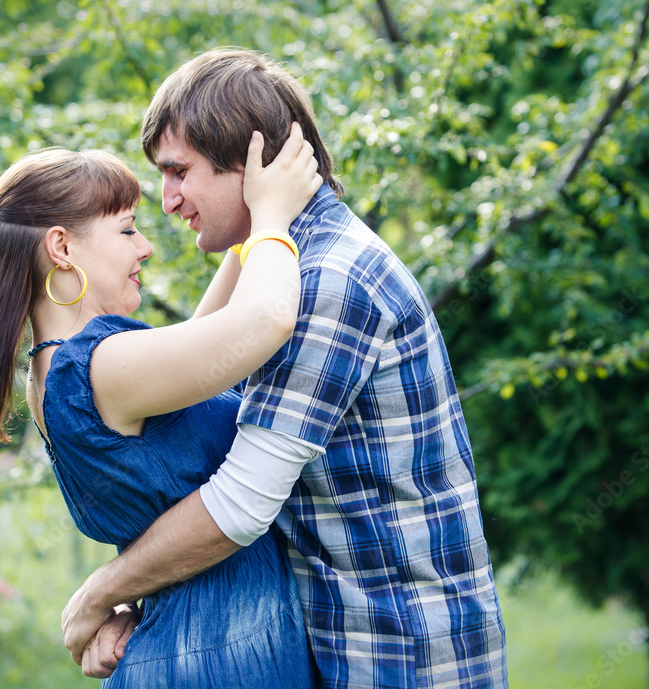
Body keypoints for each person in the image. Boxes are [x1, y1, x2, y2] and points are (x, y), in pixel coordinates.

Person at [64, 48, 508, 688]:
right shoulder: (287, 266)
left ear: (250, 165)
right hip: (355, 644)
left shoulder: (329, 282)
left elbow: (241, 502)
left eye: (178, 171)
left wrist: (98, 594)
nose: (167, 200)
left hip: (402, 654)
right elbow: (194, 407)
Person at [0, 127, 324, 687]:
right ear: (62, 248)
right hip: (214, 659)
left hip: (203, 649)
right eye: (127, 229)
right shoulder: (95, 369)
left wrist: (251, 221)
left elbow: (201, 350)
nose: (145, 246)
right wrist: (270, 221)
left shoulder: (67, 368)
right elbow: (265, 320)